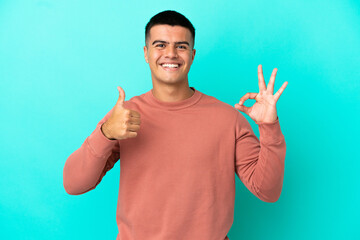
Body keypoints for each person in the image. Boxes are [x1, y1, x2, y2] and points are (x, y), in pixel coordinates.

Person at [63, 10, 288, 240]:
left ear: (192, 54)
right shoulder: (124, 115)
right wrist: (106, 134)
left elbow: (267, 191)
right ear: (146, 53)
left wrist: (269, 127)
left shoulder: (228, 119)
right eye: (160, 45)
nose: (170, 54)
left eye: (180, 46)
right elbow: (73, 183)